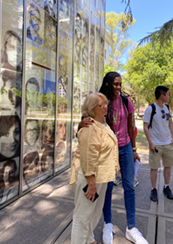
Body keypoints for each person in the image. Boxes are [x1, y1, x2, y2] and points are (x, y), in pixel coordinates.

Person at [79, 72, 148, 244]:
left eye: (120, 84)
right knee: (107, 189)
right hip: (108, 150)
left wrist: (134, 149)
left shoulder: (126, 101)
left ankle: (131, 228)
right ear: (108, 83)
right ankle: (108, 224)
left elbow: (131, 126)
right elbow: (87, 120)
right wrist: (81, 124)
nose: (118, 87)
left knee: (129, 186)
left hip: (125, 148)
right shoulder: (101, 102)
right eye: (115, 84)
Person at [70, 92, 119, 244]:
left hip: (101, 177)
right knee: (82, 217)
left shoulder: (103, 124)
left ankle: (89, 239)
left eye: (106, 103)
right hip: (89, 179)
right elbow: (88, 157)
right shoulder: (90, 127)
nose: (106, 106)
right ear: (92, 108)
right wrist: (91, 183)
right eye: (101, 104)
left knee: (94, 213)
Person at [143, 85, 173, 202]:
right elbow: (145, 127)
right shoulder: (150, 109)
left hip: (167, 144)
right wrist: (150, 143)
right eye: (167, 94)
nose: (169, 96)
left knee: (168, 166)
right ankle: (153, 189)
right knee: (154, 168)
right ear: (162, 96)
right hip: (155, 145)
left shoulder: (167, 108)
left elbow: (170, 123)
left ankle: (166, 187)